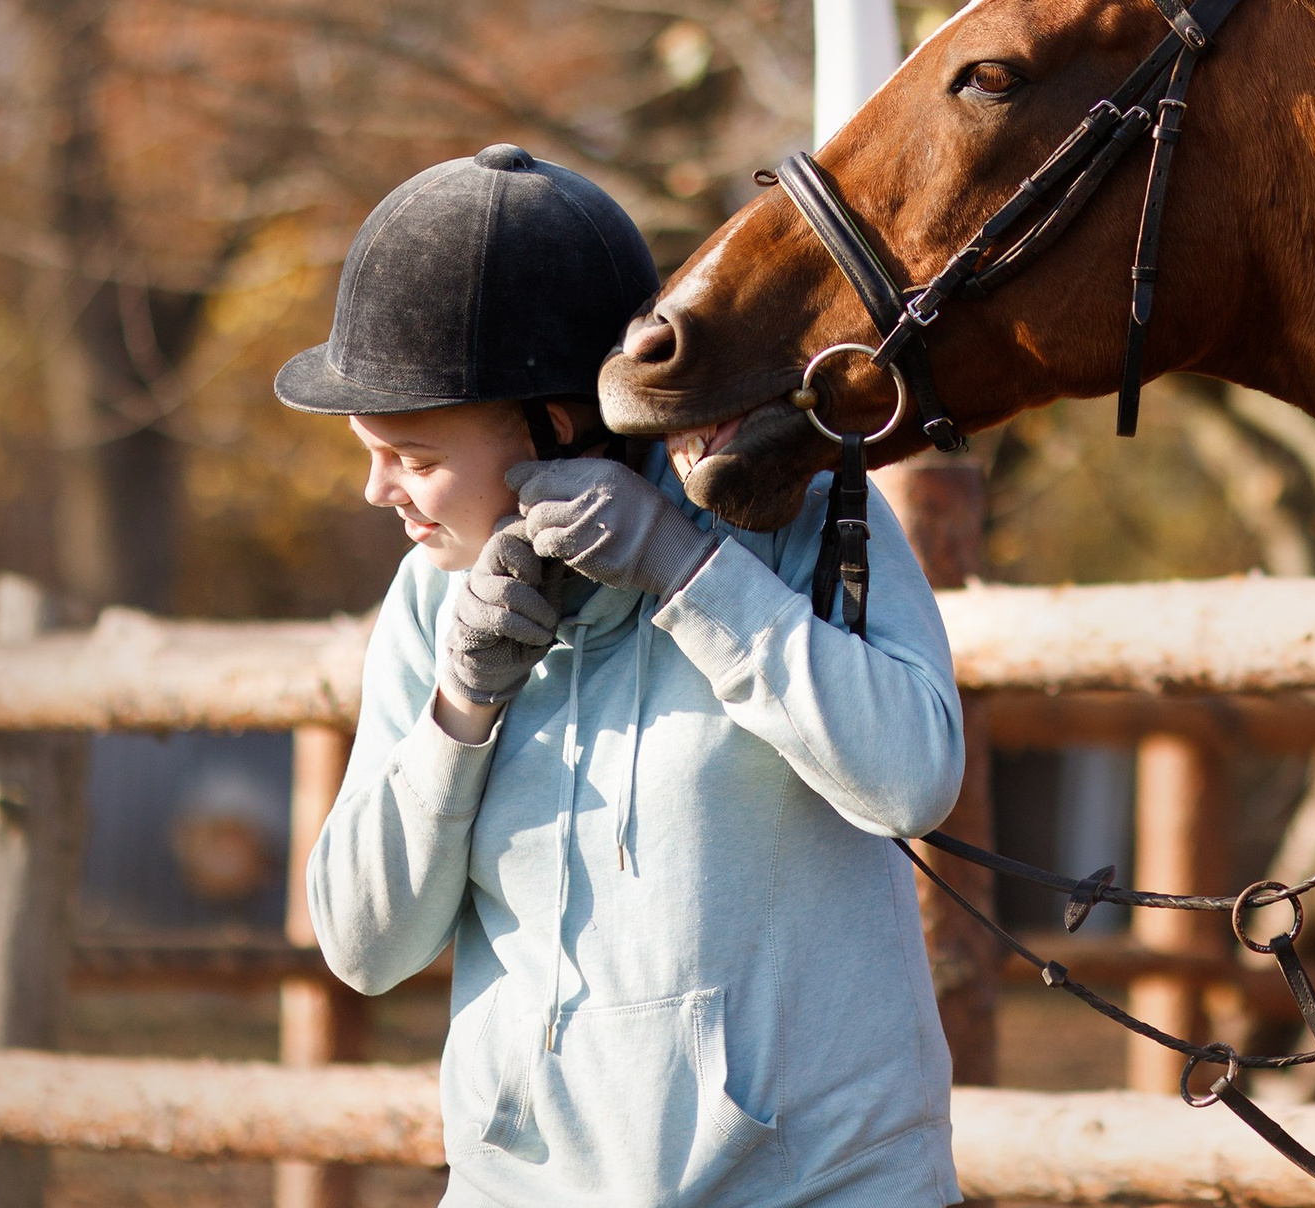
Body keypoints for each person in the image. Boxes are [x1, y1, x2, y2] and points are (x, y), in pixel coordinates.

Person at [276, 143, 966, 1207]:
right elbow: (365, 946)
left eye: (411, 455)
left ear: (558, 422)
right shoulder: (430, 599)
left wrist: (694, 576)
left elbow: (911, 776)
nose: (380, 492)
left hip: (819, 1184)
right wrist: (458, 712)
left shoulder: (796, 511)